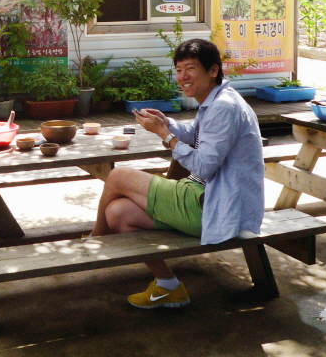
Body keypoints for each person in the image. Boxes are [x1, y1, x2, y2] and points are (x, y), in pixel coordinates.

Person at [90, 38, 264, 309]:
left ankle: (95, 242)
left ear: (213, 70)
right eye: (179, 69)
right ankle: (169, 285)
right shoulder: (216, 100)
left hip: (215, 206)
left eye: (191, 68)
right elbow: (196, 134)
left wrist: (165, 135)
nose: (183, 77)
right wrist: (166, 123)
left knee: (118, 176)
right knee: (118, 213)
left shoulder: (224, 107)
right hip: (207, 200)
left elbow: (204, 166)